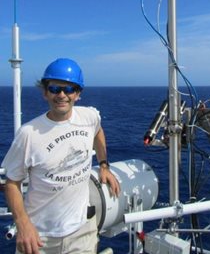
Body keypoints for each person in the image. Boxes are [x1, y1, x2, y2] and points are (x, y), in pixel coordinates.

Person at [2, 58, 121, 254]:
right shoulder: (29, 134)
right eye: (55, 88)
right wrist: (23, 225)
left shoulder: (89, 117)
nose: (62, 95)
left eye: (69, 89)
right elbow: (12, 183)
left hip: (82, 232)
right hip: (39, 238)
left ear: (78, 94)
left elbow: (98, 131)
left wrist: (103, 165)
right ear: (45, 92)